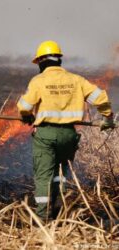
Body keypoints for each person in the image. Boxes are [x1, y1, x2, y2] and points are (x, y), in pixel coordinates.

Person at [17, 40, 115, 221]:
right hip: (69, 135)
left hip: (46, 134)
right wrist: (107, 118)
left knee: (44, 176)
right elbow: (101, 98)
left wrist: (27, 115)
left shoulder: (39, 81)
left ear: (41, 62)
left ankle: (42, 220)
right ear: (59, 60)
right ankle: (61, 211)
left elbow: (24, 106)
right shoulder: (76, 80)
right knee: (60, 174)